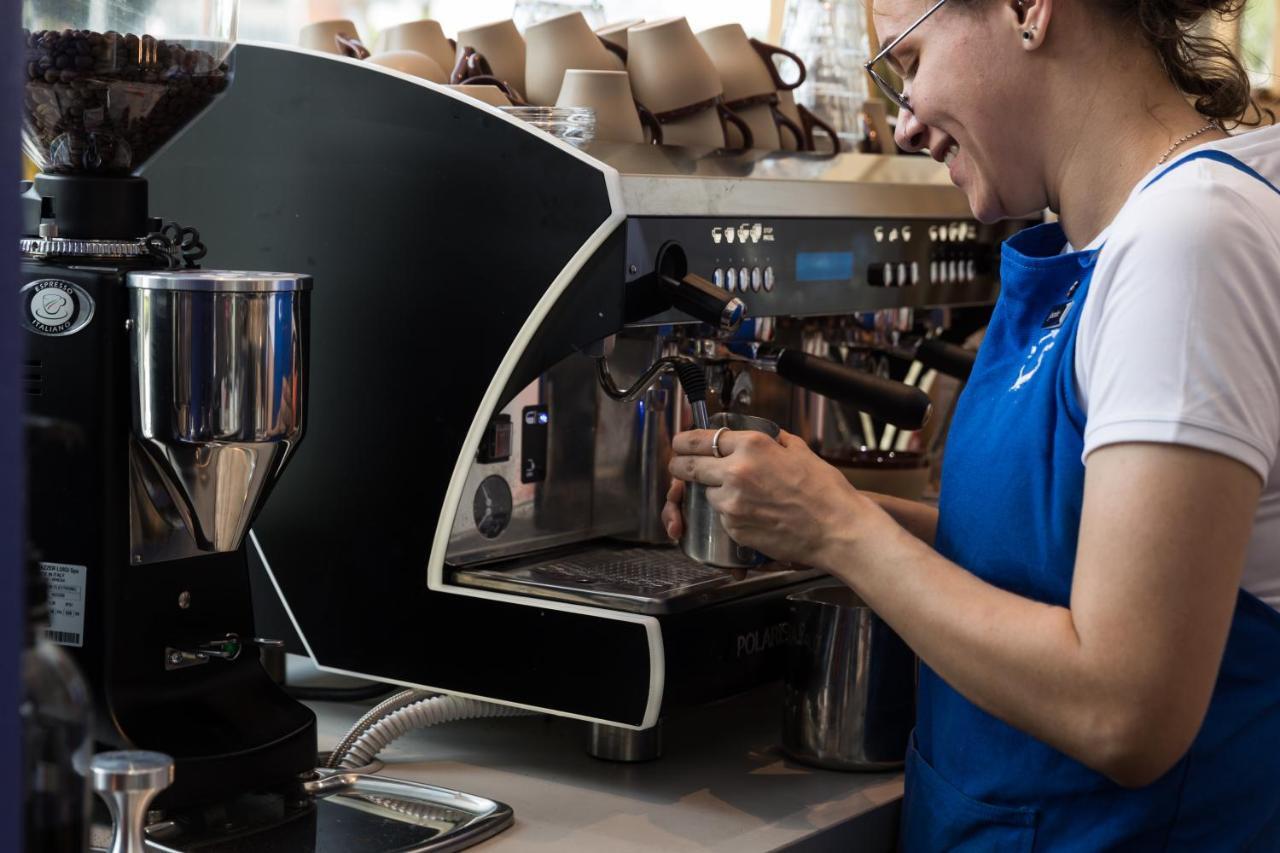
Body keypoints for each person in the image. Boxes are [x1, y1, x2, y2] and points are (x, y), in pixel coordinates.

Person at [662, 0, 1280, 846]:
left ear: (1028, 11)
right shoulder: (1099, 247)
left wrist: (841, 530)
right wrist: (804, 511)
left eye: (908, 66)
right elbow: (1044, 556)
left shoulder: (1189, 243)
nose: (904, 122)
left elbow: (1124, 711)